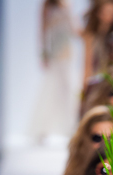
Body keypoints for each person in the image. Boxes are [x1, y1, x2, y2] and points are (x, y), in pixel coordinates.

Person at [29, 0, 76, 142]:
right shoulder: (46, 5)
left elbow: (73, 27)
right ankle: (41, 129)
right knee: (51, 90)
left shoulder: (67, 4)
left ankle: (70, 128)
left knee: (68, 90)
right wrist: (43, 53)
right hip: (54, 51)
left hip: (66, 51)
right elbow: (42, 29)